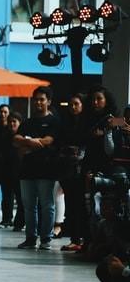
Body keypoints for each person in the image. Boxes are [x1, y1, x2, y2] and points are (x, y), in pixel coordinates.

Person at [14, 86, 60, 249]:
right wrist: (33, 142)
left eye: (42, 99)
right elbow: (16, 139)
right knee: (28, 207)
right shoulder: (27, 122)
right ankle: (30, 238)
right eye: (36, 99)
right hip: (27, 170)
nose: (38, 102)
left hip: (47, 169)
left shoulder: (55, 122)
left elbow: (49, 140)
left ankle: (46, 238)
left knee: (47, 205)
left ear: (49, 101)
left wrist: (28, 144)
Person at [57, 94, 88, 251]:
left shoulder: (87, 123)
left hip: (83, 169)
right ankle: (74, 239)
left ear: (82, 105)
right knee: (70, 204)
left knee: (81, 205)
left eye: (76, 104)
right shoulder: (65, 123)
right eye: (71, 104)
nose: (73, 107)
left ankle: (82, 239)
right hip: (68, 169)